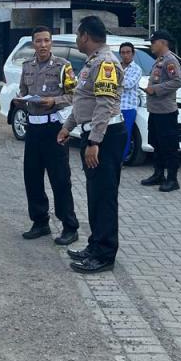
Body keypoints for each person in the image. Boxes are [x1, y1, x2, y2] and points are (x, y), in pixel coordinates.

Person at [58, 15, 126, 274]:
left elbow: (104, 106)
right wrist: (68, 127)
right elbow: (83, 101)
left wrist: (94, 142)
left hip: (105, 137)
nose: (77, 40)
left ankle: (105, 255)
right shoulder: (92, 63)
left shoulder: (106, 63)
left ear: (85, 35)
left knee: (104, 196)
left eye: (78, 35)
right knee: (95, 195)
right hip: (93, 134)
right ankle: (95, 245)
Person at [14, 26, 79, 245]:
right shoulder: (27, 66)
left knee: (60, 179)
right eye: (38, 41)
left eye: (46, 41)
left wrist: (54, 101)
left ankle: (69, 226)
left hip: (54, 130)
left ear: (51, 43)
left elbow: (73, 95)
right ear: (33, 43)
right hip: (33, 130)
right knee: (32, 177)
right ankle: (40, 222)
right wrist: (20, 99)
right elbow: (23, 91)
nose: (42, 45)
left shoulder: (63, 66)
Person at [141, 30, 181, 193]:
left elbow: (177, 81)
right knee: (157, 144)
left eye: (153, 42)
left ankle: (172, 179)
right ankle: (158, 174)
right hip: (155, 111)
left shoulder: (170, 60)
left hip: (166, 112)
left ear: (163, 43)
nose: (151, 45)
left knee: (169, 146)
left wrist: (155, 89)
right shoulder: (159, 60)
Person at [118, 42, 142, 163]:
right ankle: (114, 159)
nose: (125, 55)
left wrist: (113, 81)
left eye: (128, 52)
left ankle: (121, 160)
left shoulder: (136, 69)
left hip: (128, 107)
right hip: (114, 106)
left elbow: (128, 84)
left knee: (125, 135)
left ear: (133, 54)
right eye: (123, 52)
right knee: (113, 134)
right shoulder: (115, 67)